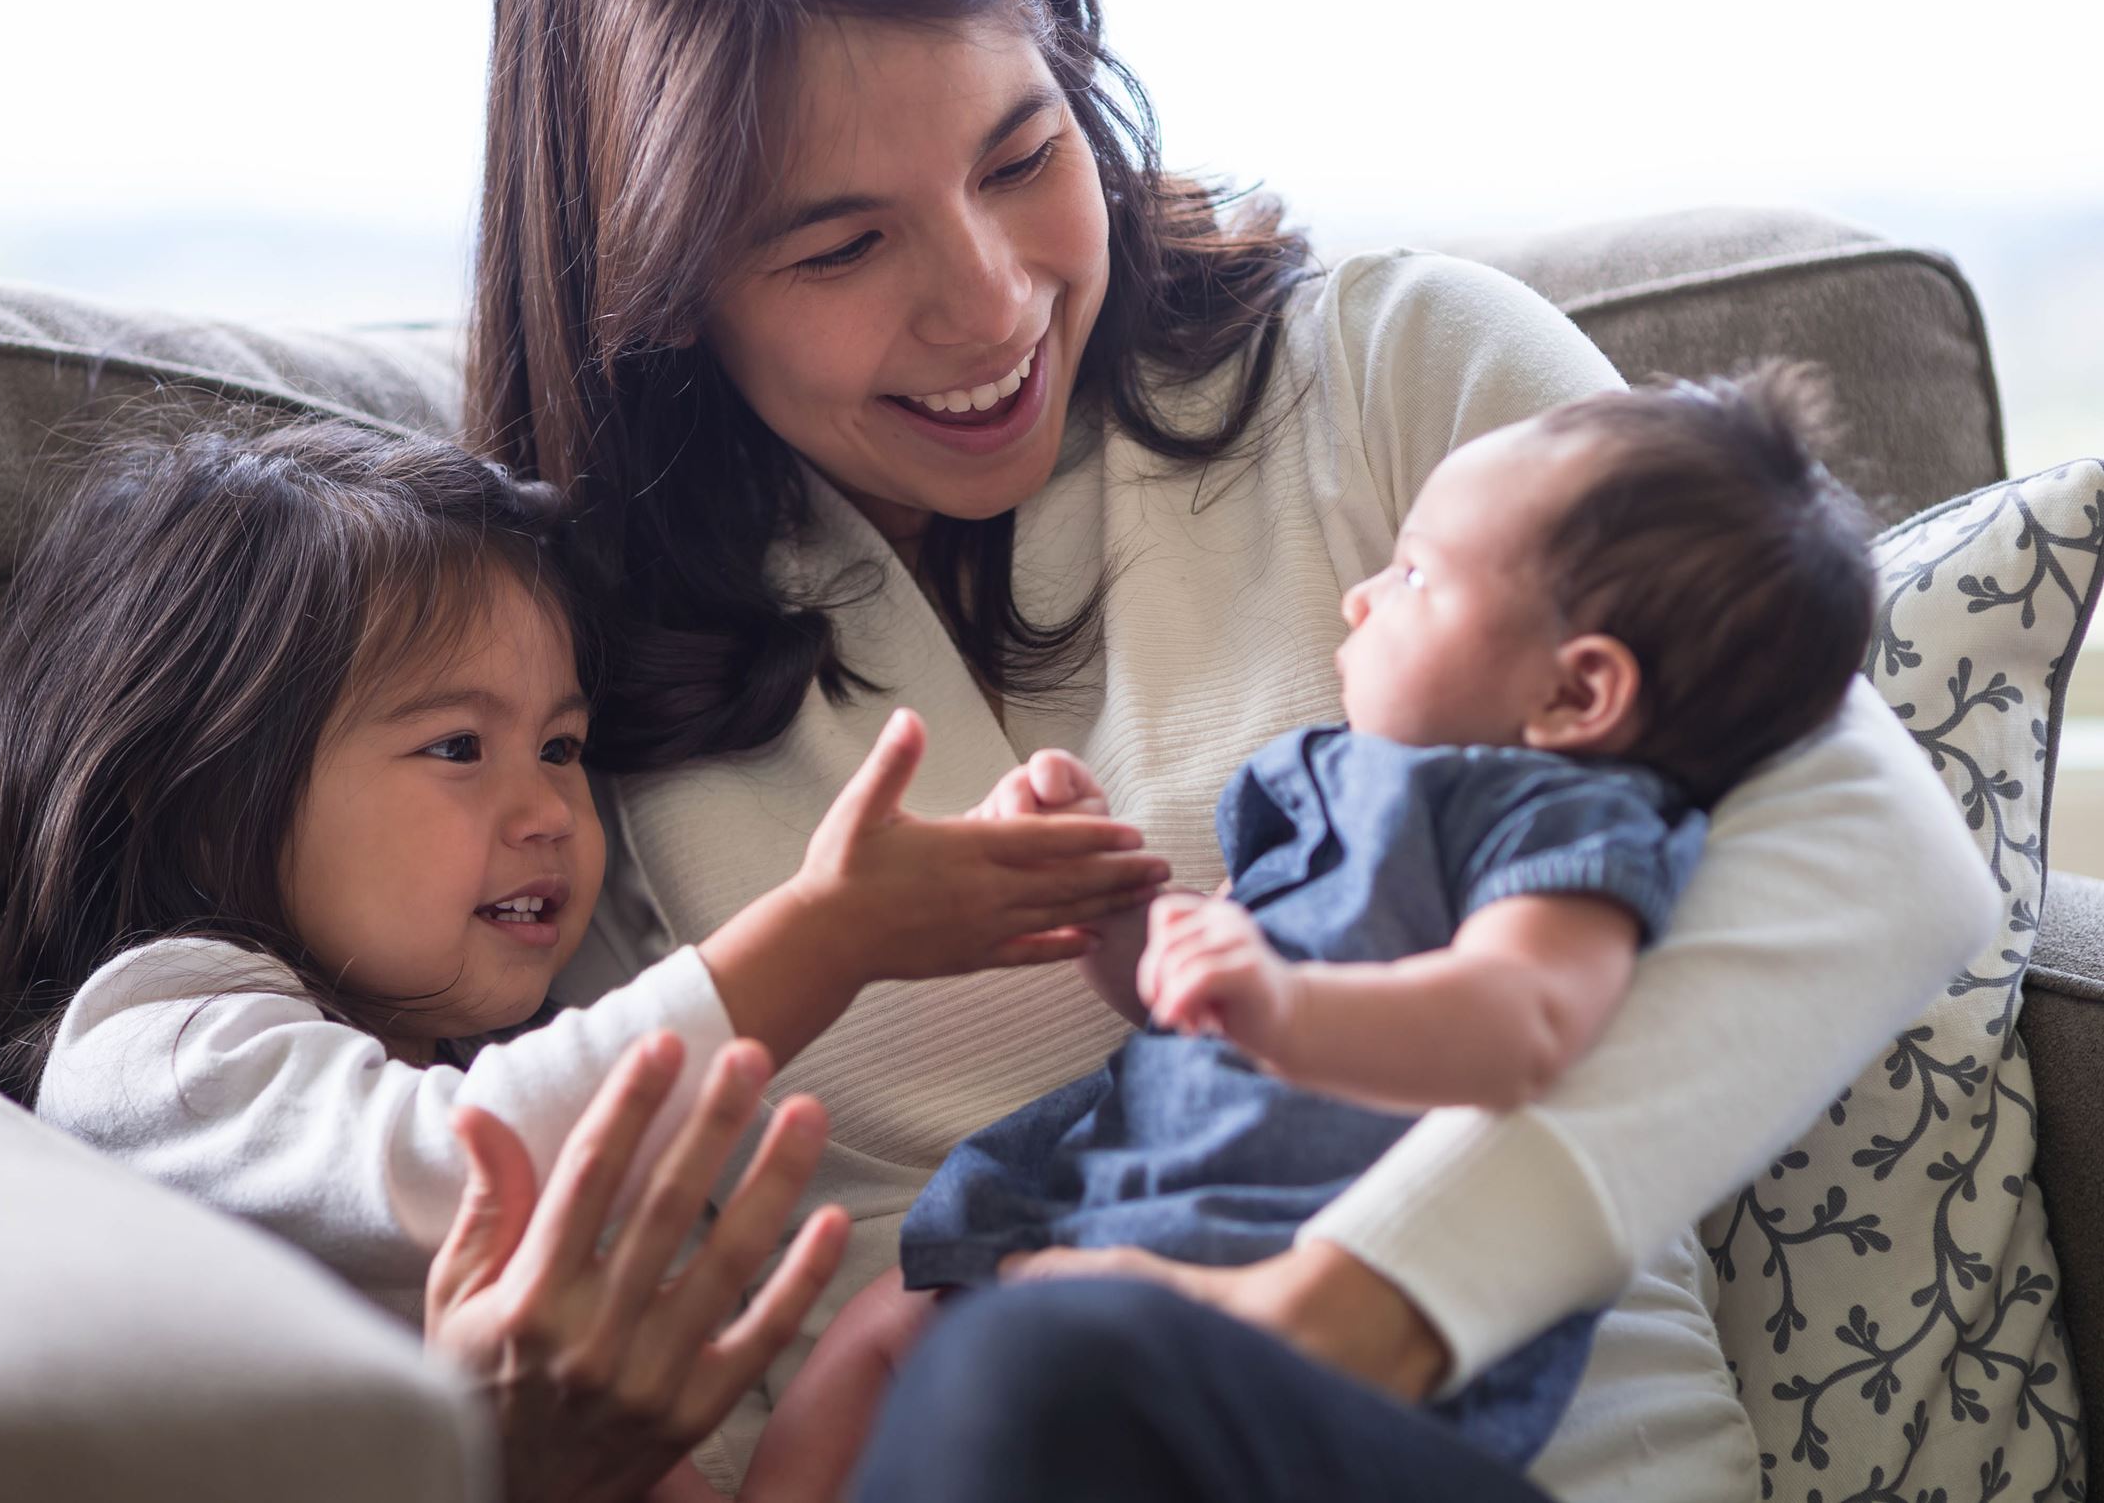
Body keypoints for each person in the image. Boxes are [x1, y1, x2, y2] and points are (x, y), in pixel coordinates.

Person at [465, 0, 2000, 1498]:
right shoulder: (547, 689)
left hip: (1479, 1449)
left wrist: (1361, 1305)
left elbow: (1888, 853)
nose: (989, 299)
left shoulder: (1411, 391)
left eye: (1022, 155)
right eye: (836, 245)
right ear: (658, 284)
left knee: (1057, 1357)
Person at [0, 413, 1168, 1501]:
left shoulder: (506, 1040)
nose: (548, 814)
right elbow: (462, 1163)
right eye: (459, 748)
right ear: (195, 798)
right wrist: (824, 934)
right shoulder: (162, 1038)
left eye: (563, 749)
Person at [727, 363, 1878, 1500]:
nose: (1360, 594)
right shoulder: (1327, 780)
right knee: (893, 1325)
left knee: (1007, 1367)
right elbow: (1181, 1007)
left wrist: (1283, 1008)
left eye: (1416, 575)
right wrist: (1121, 918)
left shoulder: (1559, 820)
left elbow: (1524, 1022)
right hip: (1118, 1226)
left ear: (1576, 695)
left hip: (1322, 1360)